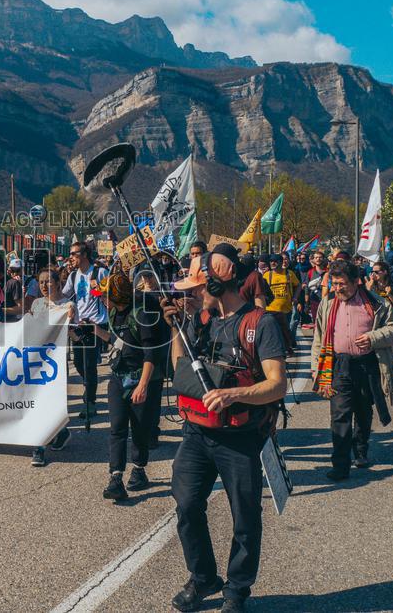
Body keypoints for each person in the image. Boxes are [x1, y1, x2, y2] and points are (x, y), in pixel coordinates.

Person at [166, 245, 287, 613]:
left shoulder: (260, 323)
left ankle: (237, 589)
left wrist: (235, 393)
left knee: (245, 517)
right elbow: (180, 371)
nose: (190, 295)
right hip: (197, 433)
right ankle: (203, 577)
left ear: (217, 286)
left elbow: (278, 384)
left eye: (195, 289)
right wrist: (178, 327)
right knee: (186, 504)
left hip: (240, 439)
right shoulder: (199, 321)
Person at [312, 261, 393, 480]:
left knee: (363, 410)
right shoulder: (328, 304)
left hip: (367, 363)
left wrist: (373, 338)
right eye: (334, 283)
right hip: (338, 365)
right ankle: (340, 465)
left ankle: (360, 450)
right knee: (340, 414)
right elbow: (319, 337)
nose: (337, 288)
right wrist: (317, 370)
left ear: (356, 281)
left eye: (342, 284)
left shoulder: (375, 302)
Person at [101, 272, 169, 500]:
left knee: (140, 429)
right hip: (118, 377)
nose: (101, 299)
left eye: (105, 295)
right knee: (117, 428)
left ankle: (139, 469)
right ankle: (116, 476)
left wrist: (143, 385)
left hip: (140, 377)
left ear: (116, 295)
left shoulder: (142, 314)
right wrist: (92, 331)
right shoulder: (114, 312)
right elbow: (117, 341)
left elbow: (151, 353)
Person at [27, 266, 74, 467]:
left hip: (56, 361)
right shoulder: (37, 304)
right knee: (37, 401)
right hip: (36, 359)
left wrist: (70, 317)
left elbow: (72, 329)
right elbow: (26, 326)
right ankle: (40, 445)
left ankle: (55, 434)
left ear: (58, 283)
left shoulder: (67, 304)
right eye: (42, 282)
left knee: (50, 401)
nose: (45, 285)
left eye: (49, 281)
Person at [61, 241, 110, 419]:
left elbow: (110, 296)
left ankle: (90, 403)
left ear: (84, 255)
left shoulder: (100, 272)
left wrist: (100, 291)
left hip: (95, 325)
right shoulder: (73, 276)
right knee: (78, 363)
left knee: (89, 365)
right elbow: (63, 296)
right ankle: (89, 389)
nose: (71, 257)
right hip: (79, 326)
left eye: (73, 254)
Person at [263, 254, 299, 356]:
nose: (272, 263)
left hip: (286, 310)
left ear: (280, 262)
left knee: (285, 332)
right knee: (273, 334)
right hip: (270, 311)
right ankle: (279, 353)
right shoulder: (266, 275)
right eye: (271, 261)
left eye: (275, 261)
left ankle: (286, 348)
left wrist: (295, 297)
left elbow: (298, 285)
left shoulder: (289, 274)